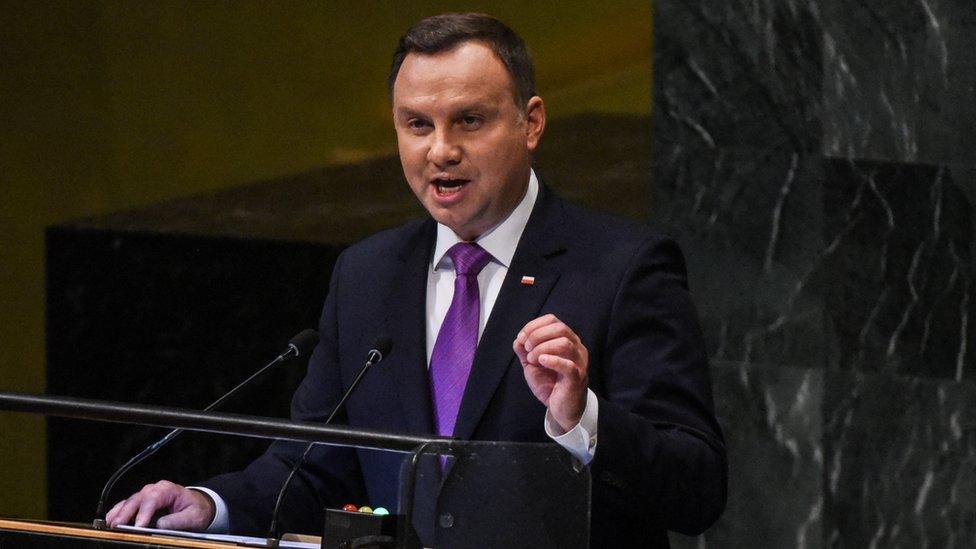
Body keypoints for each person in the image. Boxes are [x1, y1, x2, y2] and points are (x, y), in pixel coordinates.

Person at [106, 12, 726, 547]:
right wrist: (208, 506)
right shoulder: (367, 274)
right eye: (418, 125)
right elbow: (313, 466)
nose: (441, 150)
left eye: (470, 121)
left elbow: (697, 489)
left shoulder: (622, 267)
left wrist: (582, 418)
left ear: (531, 123)